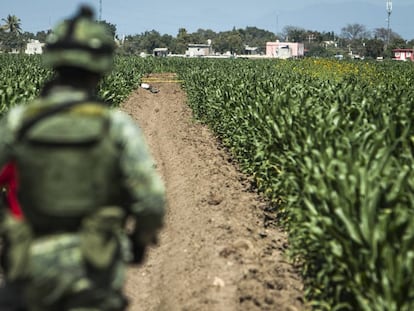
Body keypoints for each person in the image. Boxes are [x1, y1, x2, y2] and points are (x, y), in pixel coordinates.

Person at [0, 5, 165, 311]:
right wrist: (139, 243)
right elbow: (151, 201)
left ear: (53, 59)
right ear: (102, 65)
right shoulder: (115, 126)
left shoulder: (17, 122)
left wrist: (9, 230)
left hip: (28, 269)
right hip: (94, 272)